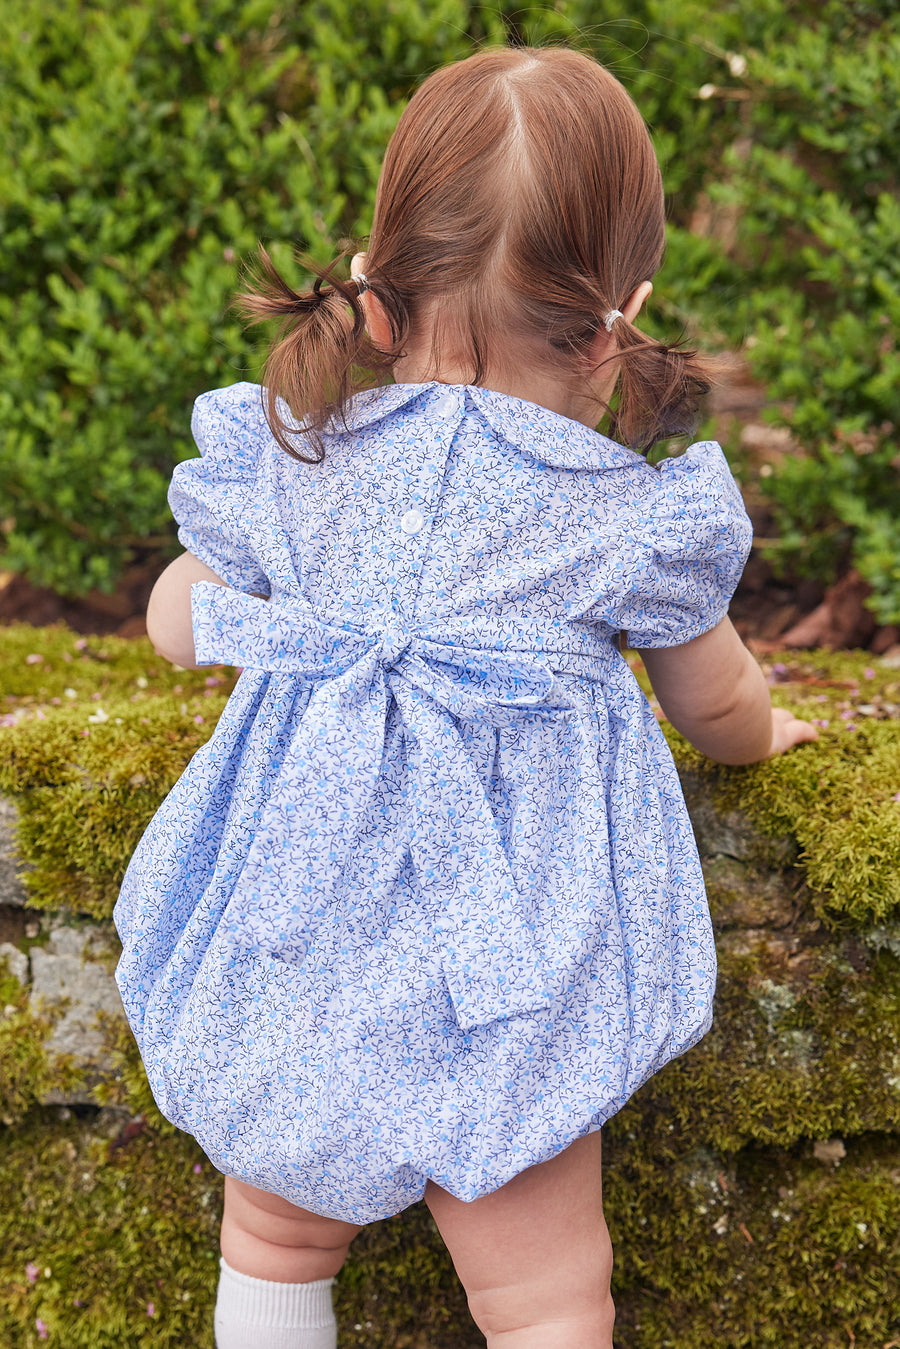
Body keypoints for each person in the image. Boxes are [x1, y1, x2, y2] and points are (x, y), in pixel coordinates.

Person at [114, 45, 817, 1349]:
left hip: (303, 948)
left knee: (271, 1234)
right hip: (515, 979)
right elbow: (716, 701)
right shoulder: (624, 519)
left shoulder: (302, 467)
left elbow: (177, 619)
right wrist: (769, 731)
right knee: (546, 1294)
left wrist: (205, 618)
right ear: (618, 324)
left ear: (377, 306)